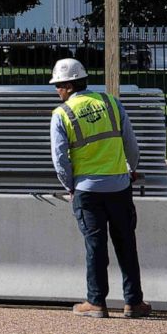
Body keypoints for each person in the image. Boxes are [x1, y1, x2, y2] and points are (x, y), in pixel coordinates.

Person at [48, 58, 151, 319]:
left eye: (59, 85)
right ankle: (133, 303)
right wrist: (130, 170)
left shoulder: (62, 114)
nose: (57, 91)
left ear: (69, 85)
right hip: (119, 187)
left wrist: (70, 187)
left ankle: (96, 303)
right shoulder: (111, 103)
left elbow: (60, 159)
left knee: (96, 247)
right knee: (126, 244)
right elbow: (131, 143)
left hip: (87, 191)